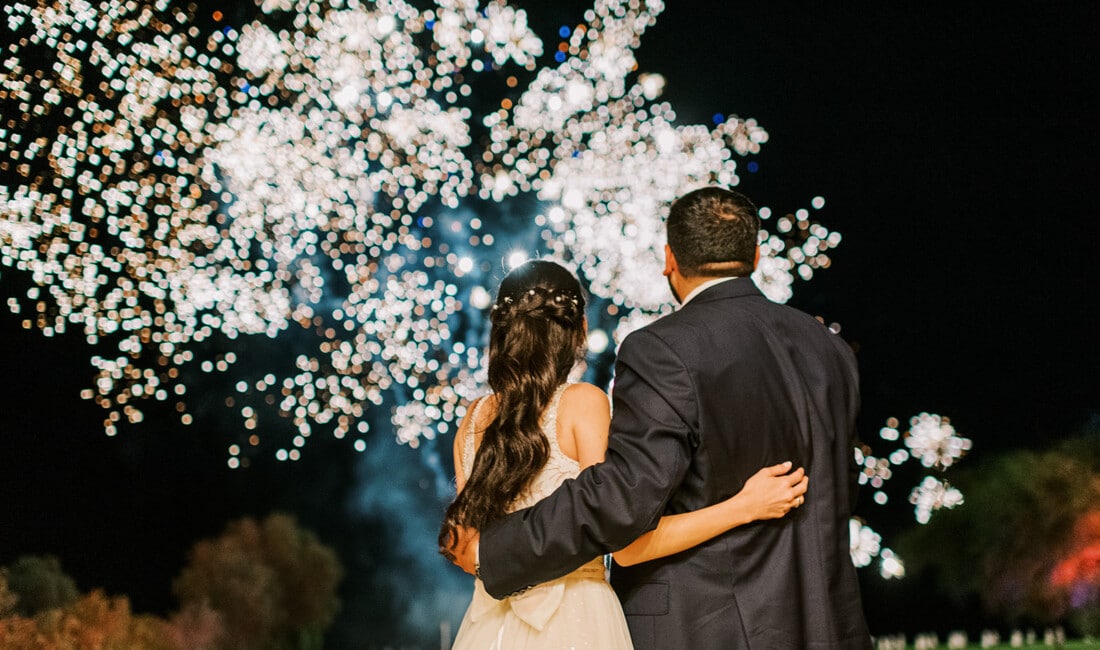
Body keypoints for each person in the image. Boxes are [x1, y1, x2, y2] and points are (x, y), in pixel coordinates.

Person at [448, 188, 873, 649]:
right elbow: (839, 489)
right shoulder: (829, 349)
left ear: (669, 258)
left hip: (703, 626)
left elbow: (621, 505)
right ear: (755, 253)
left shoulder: (662, 348)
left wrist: (493, 550)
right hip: (824, 621)